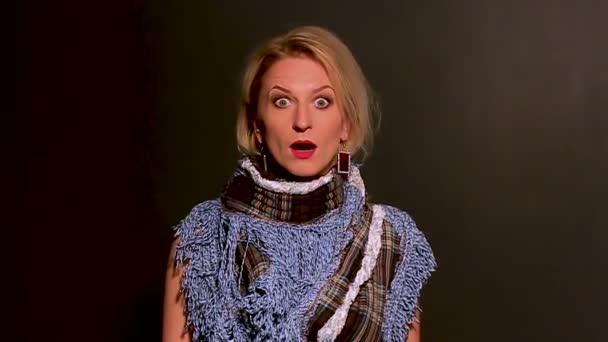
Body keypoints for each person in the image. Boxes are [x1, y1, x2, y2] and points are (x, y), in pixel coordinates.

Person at [163, 25, 436, 342]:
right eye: (282, 101)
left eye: (322, 102)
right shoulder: (204, 238)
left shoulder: (391, 241)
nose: (302, 121)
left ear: (346, 123)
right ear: (257, 127)